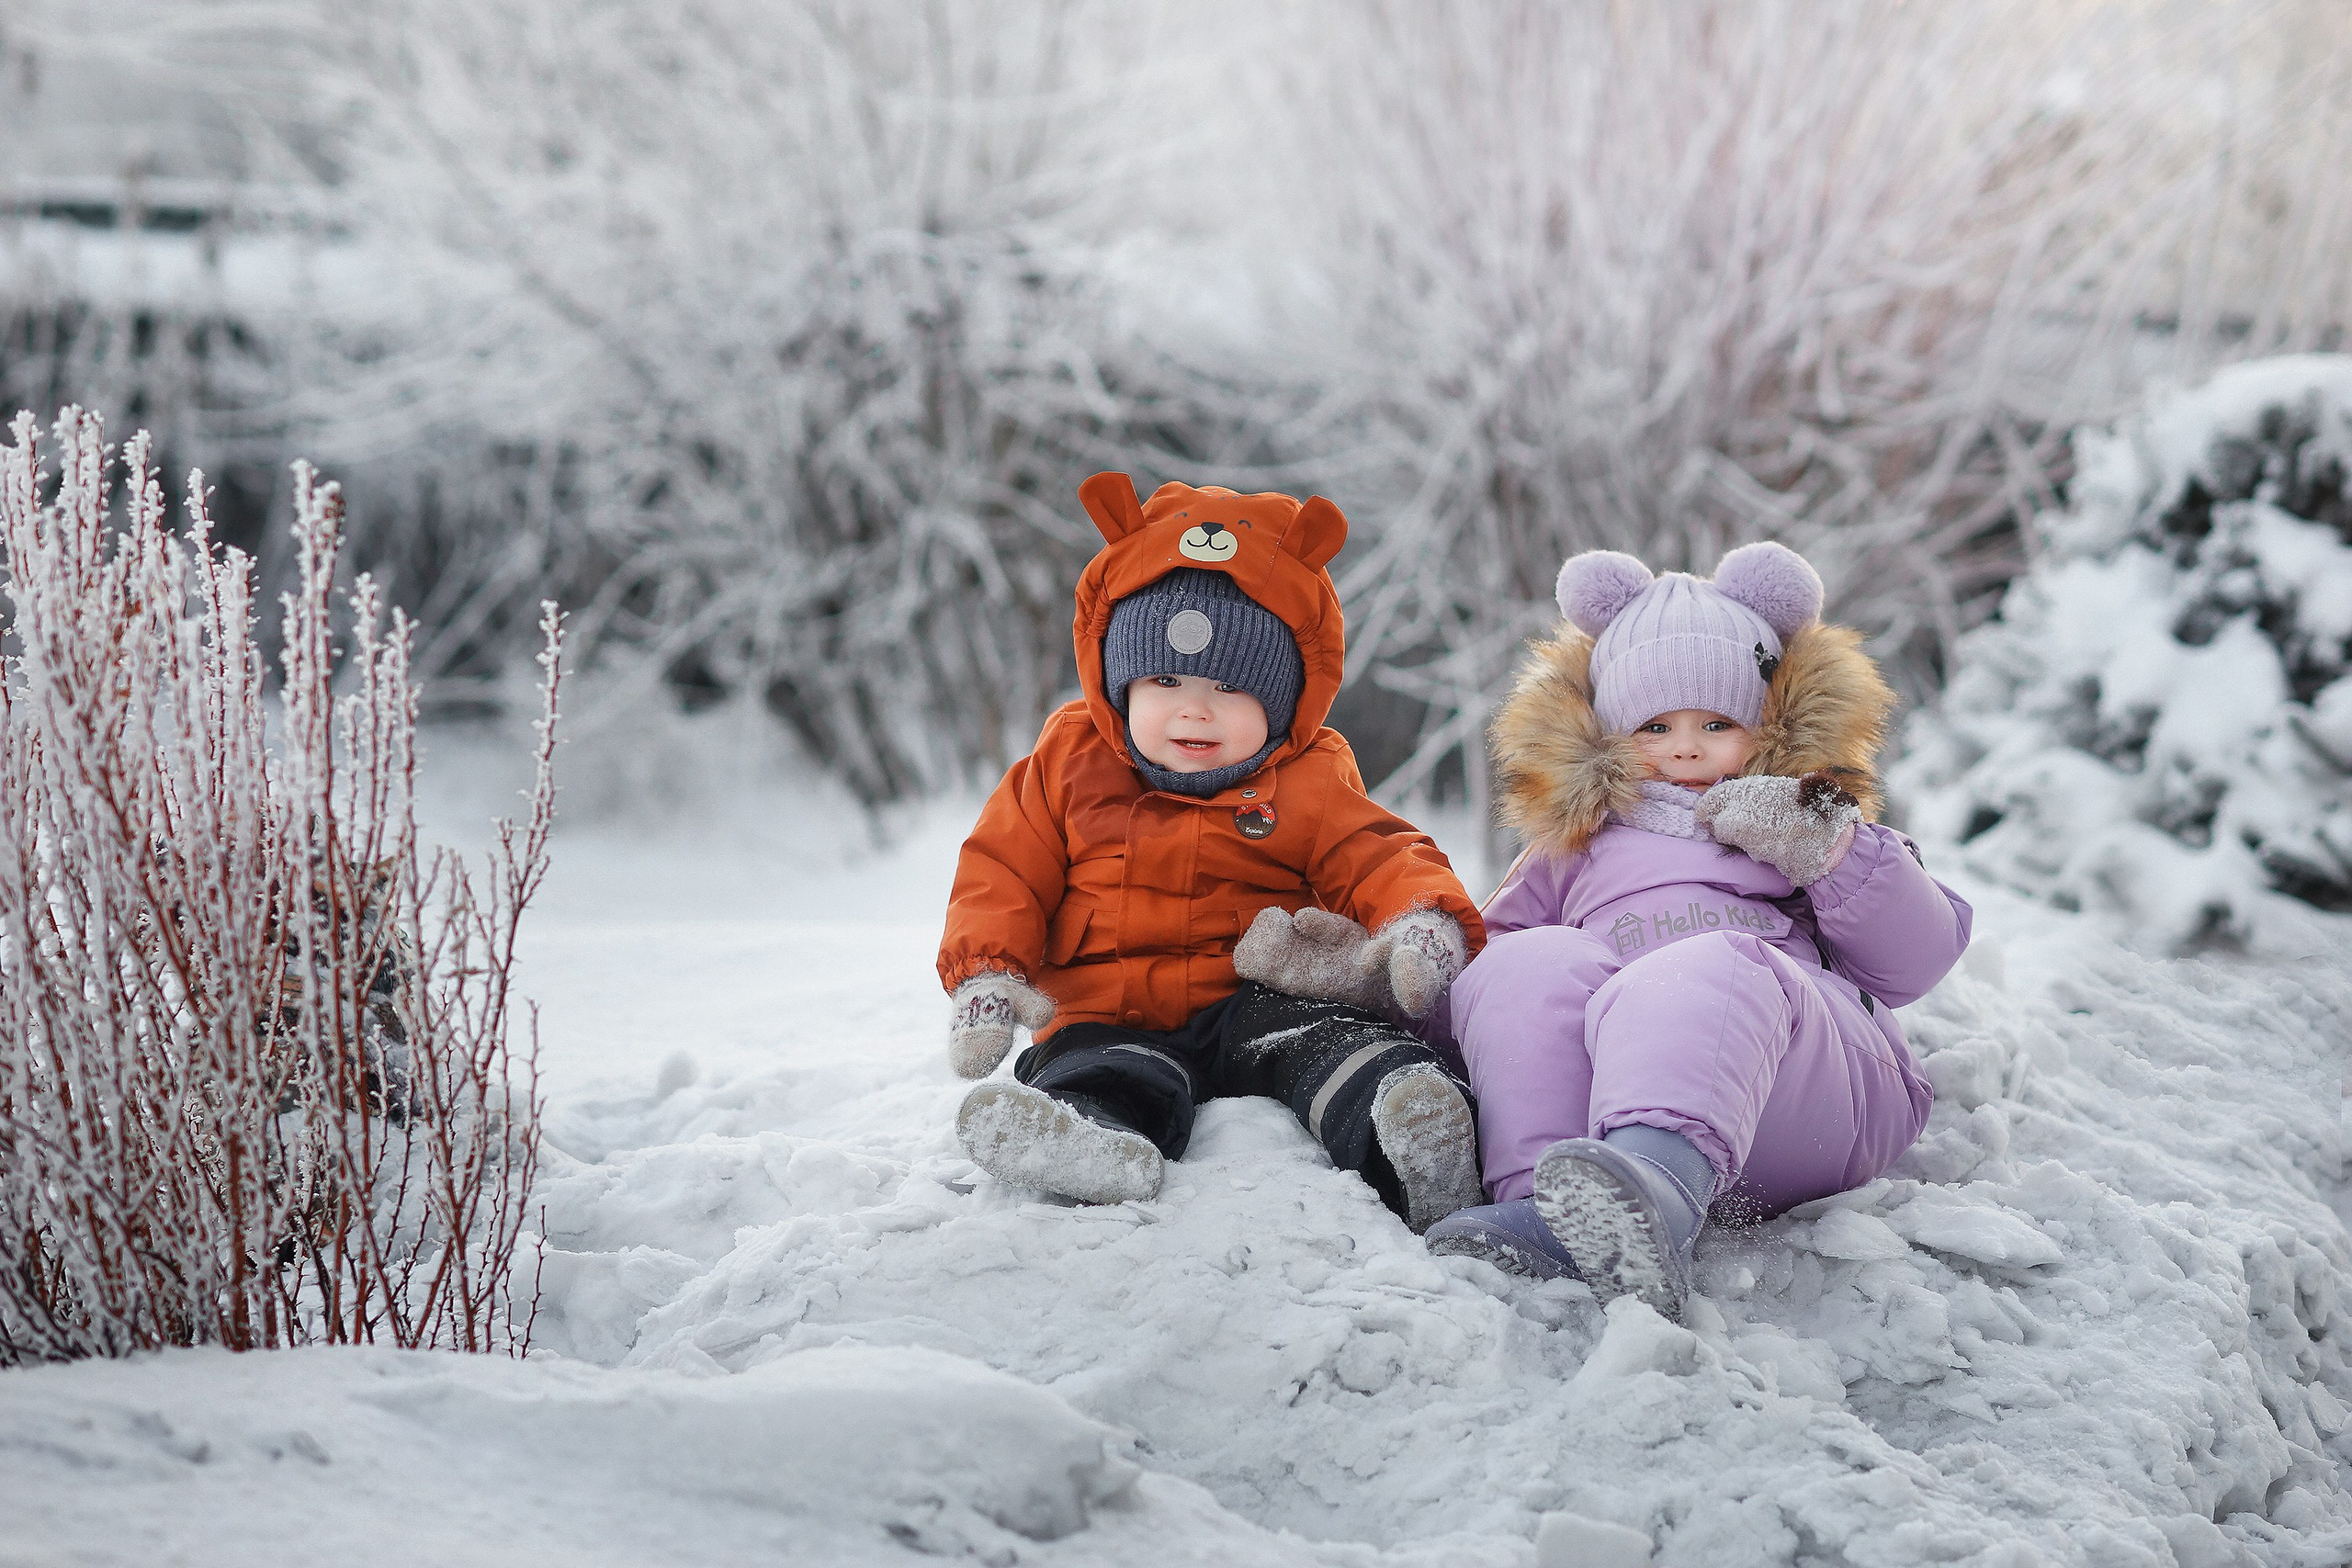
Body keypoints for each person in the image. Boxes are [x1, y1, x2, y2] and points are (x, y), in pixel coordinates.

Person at [1422, 543, 1973, 1319]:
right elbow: (1480, 1001)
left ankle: (1658, 1188)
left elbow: (1917, 957)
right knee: (1523, 962)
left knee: (1702, 968)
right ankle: (1554, 1203)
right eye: (1655, 724)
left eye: (1718, 721)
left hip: (1807, 1092)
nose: (1686, 745)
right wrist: (1403, 976)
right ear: (1610, 732)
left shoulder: (1801, 818)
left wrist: (1828, 846)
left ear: (1769, 722)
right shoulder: (1573, 847)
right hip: (1611, 1104)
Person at [938, 472, 1488, 1233]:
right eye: (1164, 678)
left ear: (1285, 698)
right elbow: (1003, 869)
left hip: (1254, 1001)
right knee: (1103, 1067)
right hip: (1107, 1006)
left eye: (1231, 686)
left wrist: (1420, 917)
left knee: (1328, 1040)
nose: (1194, 707)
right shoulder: (1069, 759)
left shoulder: (1305, 774)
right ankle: (1085, 1137)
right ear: (1118, 681)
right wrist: (987, 973)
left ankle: (1409, 1127)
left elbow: (1378, 850)